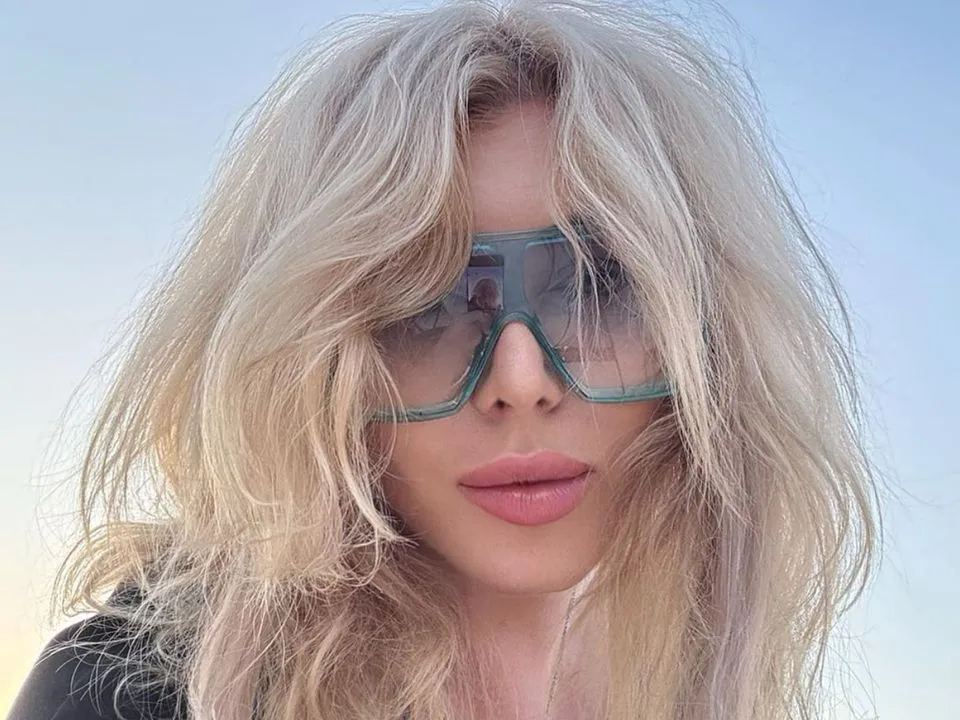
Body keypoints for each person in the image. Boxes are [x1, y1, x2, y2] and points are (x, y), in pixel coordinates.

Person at [8, 1, 880, 718]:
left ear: (711, 339)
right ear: (314, 360)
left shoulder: (717, 685)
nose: (521, 382)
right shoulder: (136, 695)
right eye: (425, 302)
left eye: (595, 283)